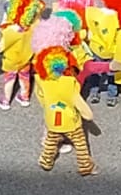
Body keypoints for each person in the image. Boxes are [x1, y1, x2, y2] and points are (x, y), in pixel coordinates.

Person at [32, 19, 96, 176]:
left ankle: (46, 162)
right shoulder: (70, 83)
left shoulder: (42, 81)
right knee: (81, 145)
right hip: (71, 121)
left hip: (52, 119)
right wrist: (88, 116)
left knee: (50, 142)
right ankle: (85, 166)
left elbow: (40, 96)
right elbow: (80, 104)